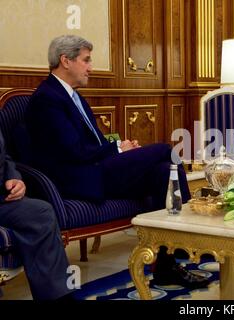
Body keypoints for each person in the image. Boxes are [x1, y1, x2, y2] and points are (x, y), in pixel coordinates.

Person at [25, 35, 208, 289]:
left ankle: (166, 265)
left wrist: (118, 149)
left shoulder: (73, 96)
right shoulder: (48, 99)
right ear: (65, 61)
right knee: (166, 151)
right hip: (78, 179)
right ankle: (194, 238)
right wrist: (117, 150)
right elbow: (74, 152)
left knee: (163, 171)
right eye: (86, 60)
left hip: (97, 169)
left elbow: (93, 144)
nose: (91, 67)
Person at [0, 130, 73, 300]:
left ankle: (58, 296)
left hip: (2, 198)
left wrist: (14, 179)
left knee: (42, 213)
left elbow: (5, 158)